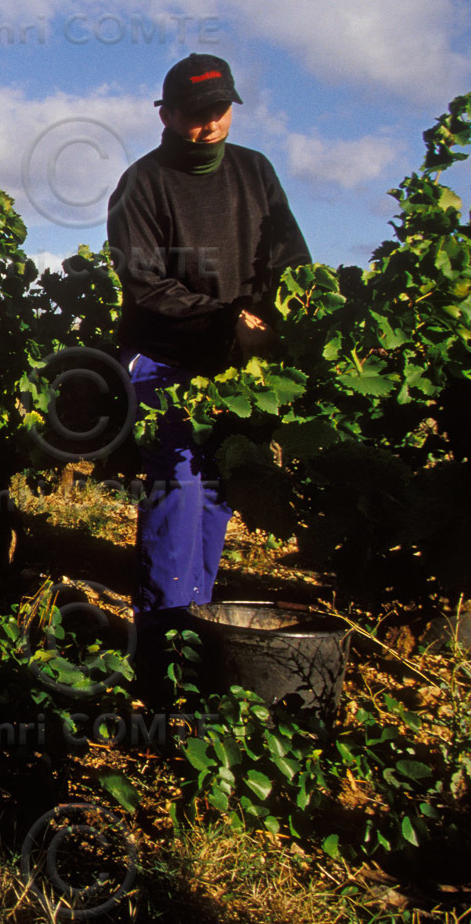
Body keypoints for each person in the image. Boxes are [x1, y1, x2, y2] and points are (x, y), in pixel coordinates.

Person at [105, 53, 310, 691]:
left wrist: (273, 319)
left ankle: (199, 633)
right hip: (164, 360)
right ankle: (162, 655)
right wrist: (226, 320)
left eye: (219, 110)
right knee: (179, 486)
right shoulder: (142, 184)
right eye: (196, 115)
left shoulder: (256, 172)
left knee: (217, 494)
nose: (210, 125)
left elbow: (290, 257)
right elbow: (144, 283)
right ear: (165, 115)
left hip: (238, 369)